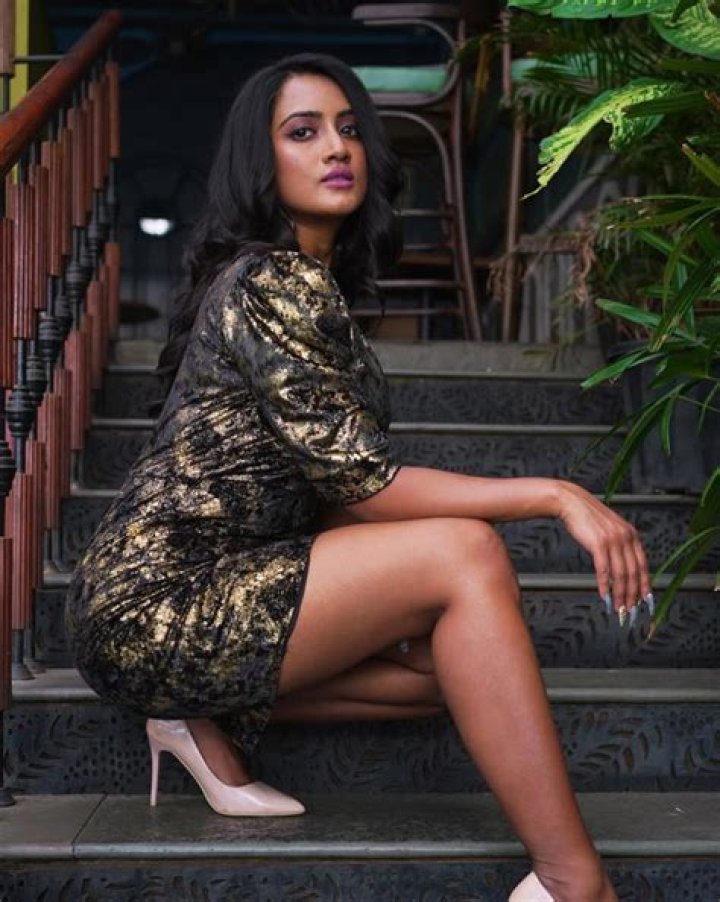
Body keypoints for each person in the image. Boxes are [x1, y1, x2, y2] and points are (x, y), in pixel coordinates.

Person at [65, 52, 651, 902]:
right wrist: (556, 494)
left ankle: (198, 711)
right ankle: (572, 880)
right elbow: (363, 484)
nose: (337, 147)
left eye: (349, 130)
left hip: (227, 582)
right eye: (303, 132)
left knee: (463, 667)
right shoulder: (269, 280)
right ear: (260, 161)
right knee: (466, 555)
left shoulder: (312, 289)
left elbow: (333, 492)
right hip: (156, 598)